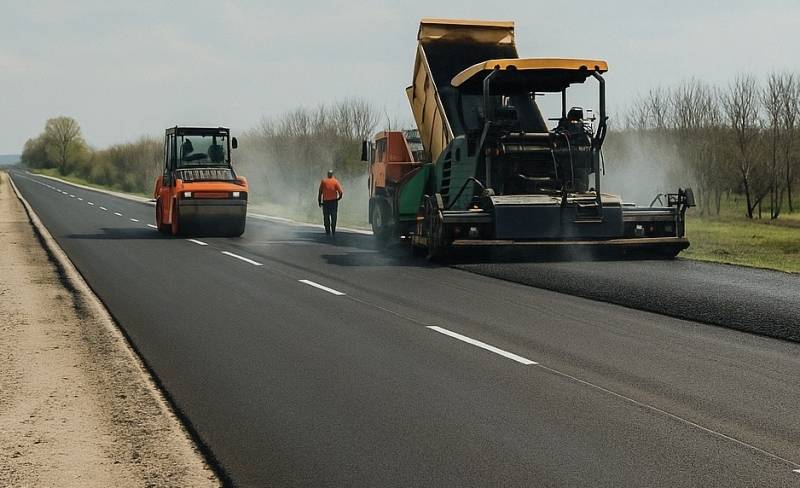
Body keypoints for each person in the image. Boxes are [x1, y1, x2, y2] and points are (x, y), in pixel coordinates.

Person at [318, 170, 343, 236]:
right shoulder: (335, 181)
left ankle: (328, 231)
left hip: (326, 202)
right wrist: (338, 199)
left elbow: (320, 192)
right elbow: (341, 193)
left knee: (326, 217)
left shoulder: (323, 181)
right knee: (333, 217)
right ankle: (333, 230)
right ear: (332, 174)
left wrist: (319, 201)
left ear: (328, 174)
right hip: (333, 202)